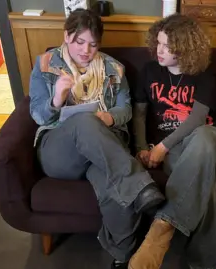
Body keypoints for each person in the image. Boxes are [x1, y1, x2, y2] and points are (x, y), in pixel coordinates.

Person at [28, 8, 165, 267]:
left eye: (93, 44)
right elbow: (37, 114)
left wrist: (109, 118)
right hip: (59, 151)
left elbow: (125, 109)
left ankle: (122, 256)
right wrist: (57, 98)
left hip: (102, 148)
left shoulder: (115, 69)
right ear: (67, 36)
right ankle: (141, 185)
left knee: (116, 189)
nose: (86, 51)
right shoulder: (46, 64)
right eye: (80, 42)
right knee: (82, 121)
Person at [128, 14, 216, 269]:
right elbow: (139, 112)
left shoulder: (203, 73)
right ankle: (203, 262)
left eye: (167, 47)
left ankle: (162, 230)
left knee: (205, 139)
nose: (159, 51)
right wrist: (141, 147)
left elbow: (197, 118)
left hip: (207, 138)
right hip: (176, 149)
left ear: (185, 49)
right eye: (158, 43)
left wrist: (160, 147)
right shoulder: (150, 70)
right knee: (207, 183)